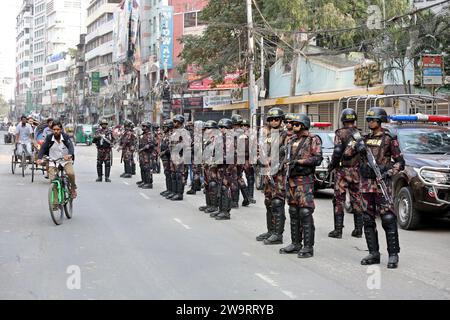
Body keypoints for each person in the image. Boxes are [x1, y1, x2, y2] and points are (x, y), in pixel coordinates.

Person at [356, 107, 405, 269]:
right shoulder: (363, 139)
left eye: (373, 120)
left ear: (380, 121)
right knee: (368, 219)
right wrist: (357, 148)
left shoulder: (389, 138)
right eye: (368, 120)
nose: (370, 122)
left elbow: (400, 162)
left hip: (382, 183)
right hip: (366, 183)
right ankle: (373, 253)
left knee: (388, 219)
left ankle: (393, 254)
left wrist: (388, 172)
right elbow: (347, 155)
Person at [279, 114, 323, 258]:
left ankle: (308, 247)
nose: (293, 126)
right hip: (291, 180)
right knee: (293, 211)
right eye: (292, 124)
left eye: (296, 124)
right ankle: (295, 243)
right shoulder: (291, 140)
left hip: (304, 180)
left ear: (303, 125)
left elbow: (317, 159)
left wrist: (299, 162)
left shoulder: (313, 139)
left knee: (305, 212)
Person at [327, 108, 364, 239]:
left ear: (343, 120)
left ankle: (338, 230)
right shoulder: (359, 134)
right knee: (357, 198)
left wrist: (331, 166)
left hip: (342, 171)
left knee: (339, 199)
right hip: (356, 171)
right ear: (354, 119)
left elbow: (337, 152)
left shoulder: (340, 133)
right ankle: (359, 230)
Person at [256, 107, 289, 245]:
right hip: (267, 174)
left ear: (281, 120)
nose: (274, 122)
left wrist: (276, 163)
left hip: (279, 174)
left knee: (277, 202)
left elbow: (287, 155)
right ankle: (270, 230)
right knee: (268, 202)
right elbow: (260, 152)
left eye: (277, 119)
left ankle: (278, 234)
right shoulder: (266, 135)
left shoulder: (286, 135)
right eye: (271, 120)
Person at [37, 121, 77, 200]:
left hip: (65, 160)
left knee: (70, 173)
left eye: (58, 129)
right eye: (54, 129)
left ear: (61, 129)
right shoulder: (49, 138)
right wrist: (39, 158)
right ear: (52, 130)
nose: (56, 131)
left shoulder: (65, 137)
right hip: (53, 162)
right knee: (53, 181)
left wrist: (69, 155)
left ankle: (72, 188)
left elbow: (70, 146)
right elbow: (43, 148)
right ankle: (55, 203)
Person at [167, 115, 187, 201]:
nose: (174, 123)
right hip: (173, 157)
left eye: (175, 122)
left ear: (179, 123)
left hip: (180, 157)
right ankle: (174, 192)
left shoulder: (184, 132)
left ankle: (179, 194)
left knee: (179, 175)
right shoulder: (174, 132)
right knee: (174, 175)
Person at [137, 122, 156, 189]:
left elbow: (151, 144)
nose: (143, 128)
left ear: (147, 127)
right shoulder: (143, 134)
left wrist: (142, 149)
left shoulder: (149, 135)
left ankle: (149, 183)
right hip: (142, 155)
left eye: (144, 126)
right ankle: (144, 181)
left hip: (148, 155)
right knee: (143, 168)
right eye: (143, 126)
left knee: (148, 169)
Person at [160, 119, 174, 197]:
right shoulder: (165, 135)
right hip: (165, 158)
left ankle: (171, 190)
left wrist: (164, 152)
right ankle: (168, 189)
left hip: (169, 158)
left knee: (170, 174)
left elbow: (171, 148)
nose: (164, 128)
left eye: (165, 127)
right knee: (167, 174)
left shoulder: (171, 135)